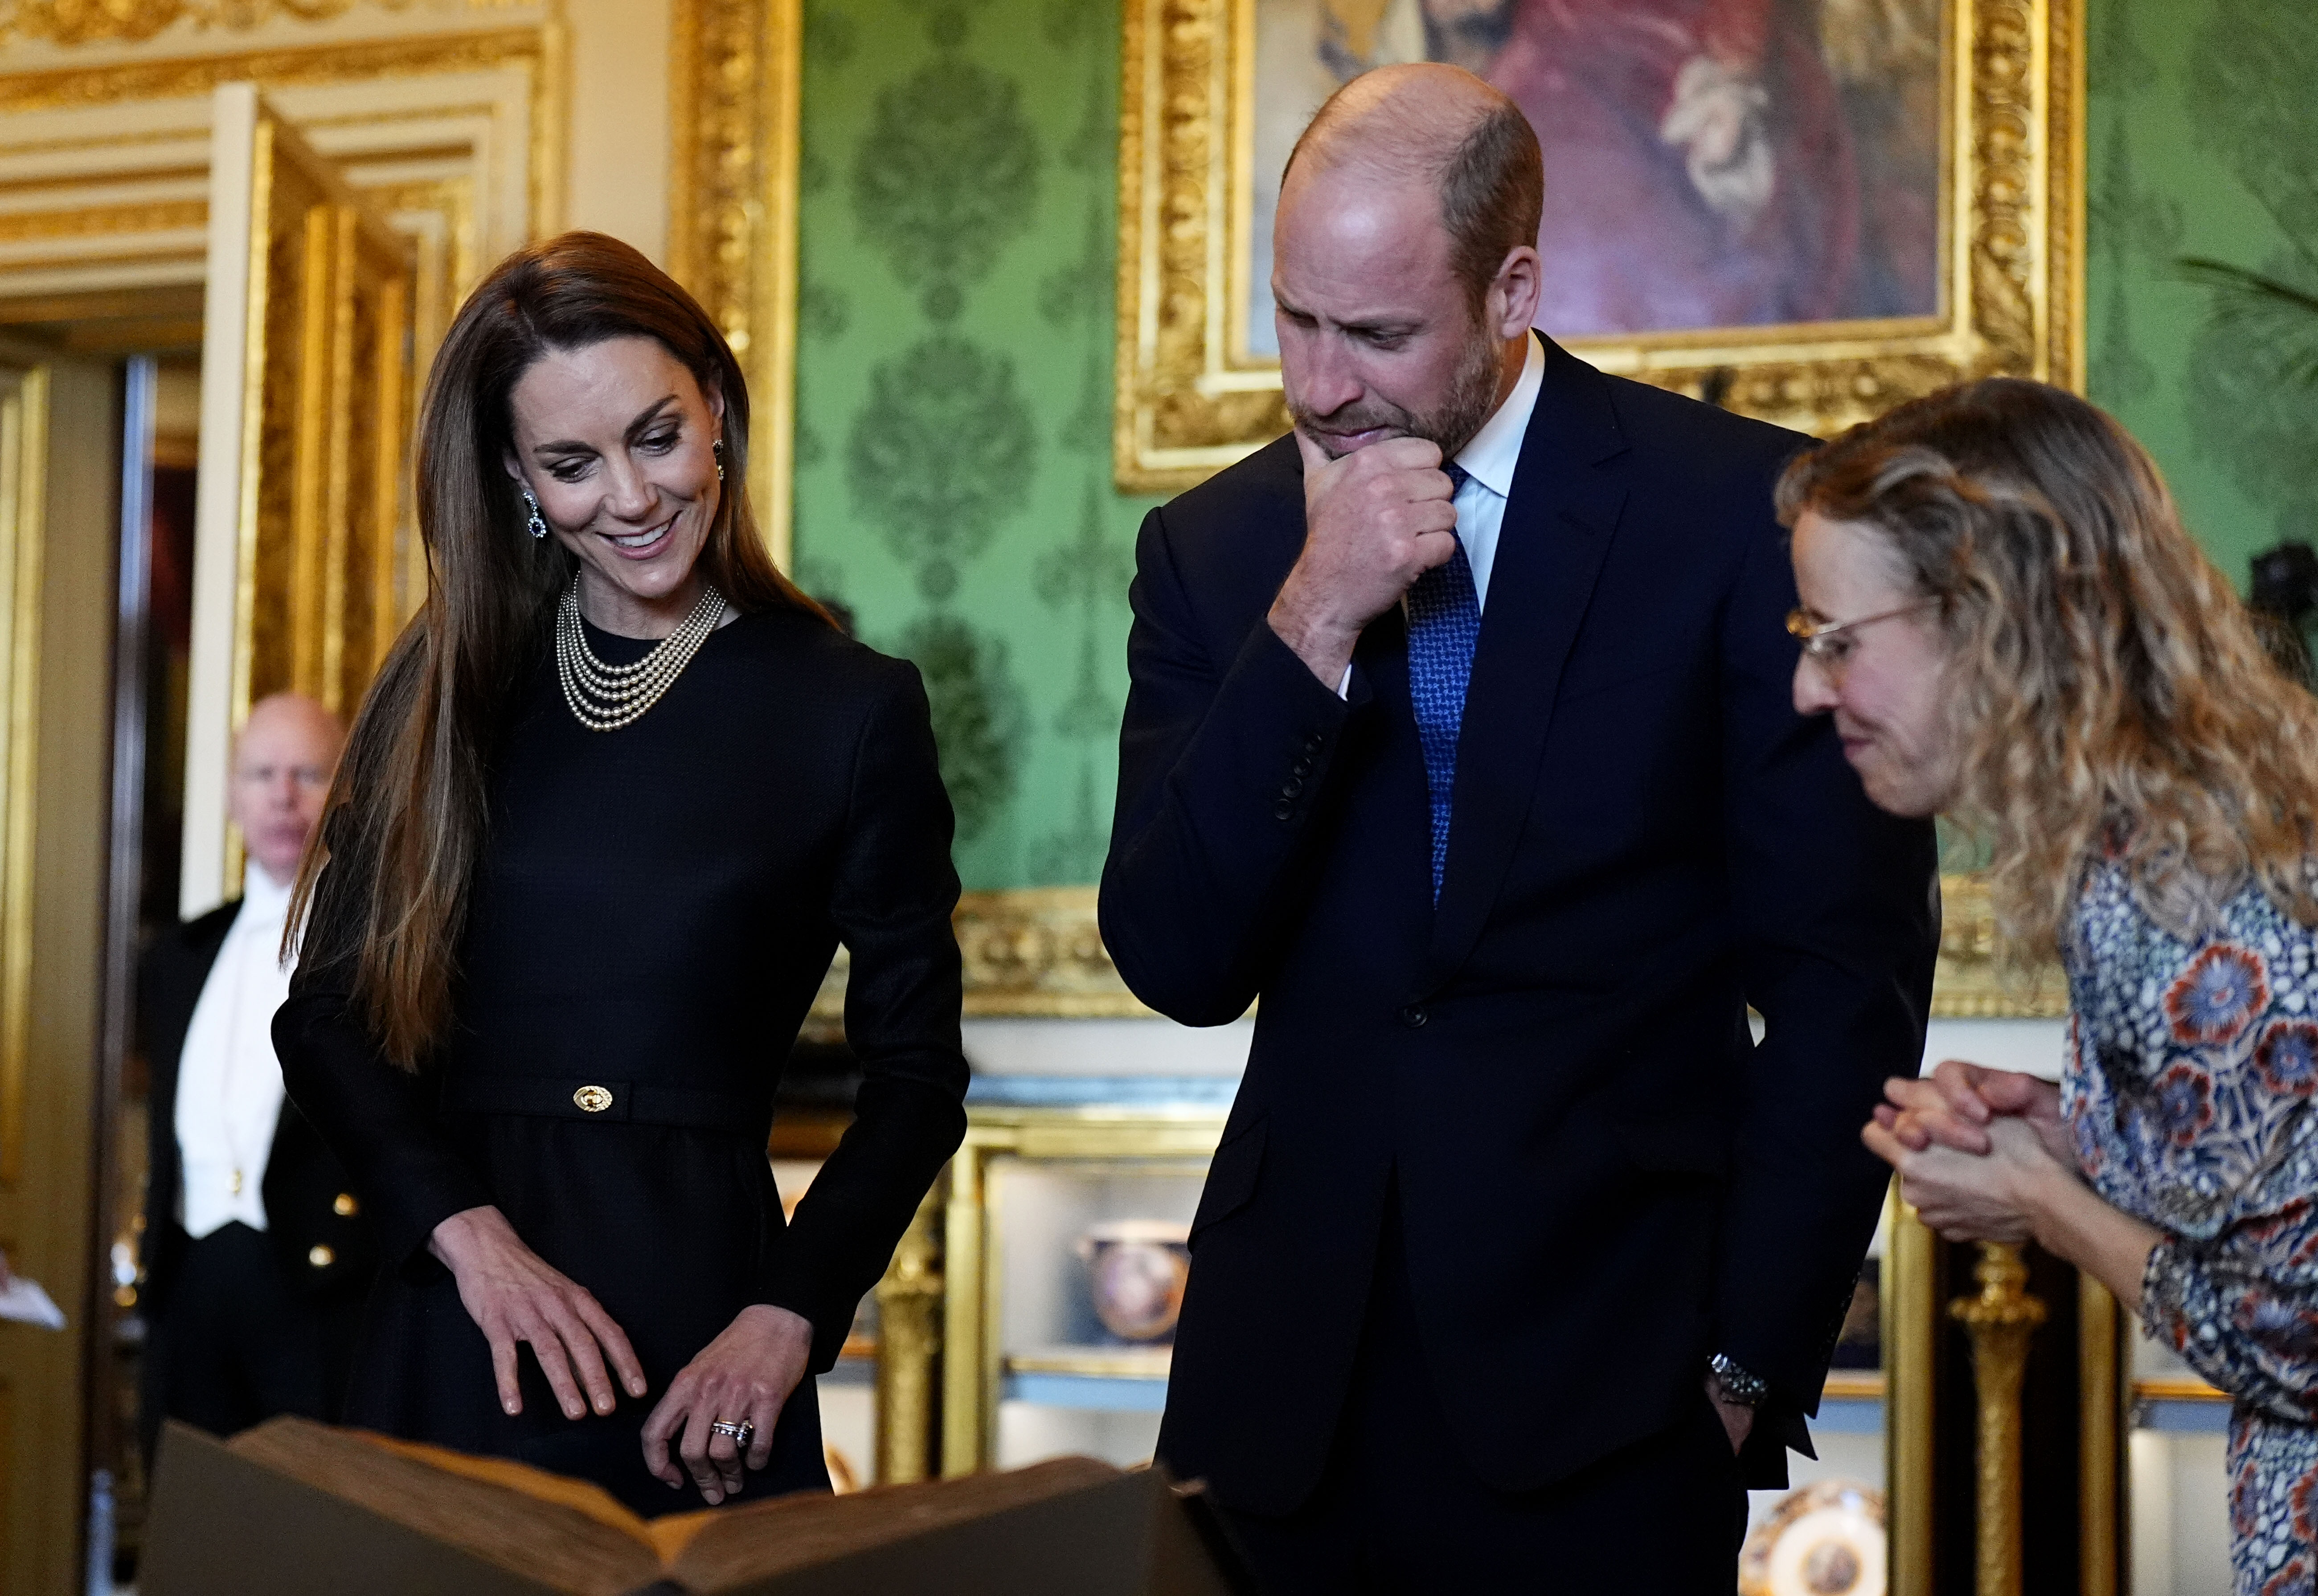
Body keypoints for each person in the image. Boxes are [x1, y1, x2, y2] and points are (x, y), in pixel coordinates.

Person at [1099, 63, 1938, 1591]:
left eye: (1377, 334)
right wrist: (1314, 617)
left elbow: (1842, 976)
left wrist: (1752, 1361)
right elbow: (1173, 955)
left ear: (1513, 288)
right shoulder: (1215, 550)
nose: (1321, 381)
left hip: (1616, 1394)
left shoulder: (1735, 517)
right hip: (1274, 1393)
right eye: (1294, 319)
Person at [273, 232, 967, 1515]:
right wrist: (471, 1242)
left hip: (708, 1327)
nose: (632, 498)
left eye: (656, 436)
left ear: (715, 403)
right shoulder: (447, 687)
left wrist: (790, 1314)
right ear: (518, 479)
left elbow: (917, 1080)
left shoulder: (850, 708)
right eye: (573, 464)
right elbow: (323, 1019)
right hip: (455, 1311)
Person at [1793, 377, 2318, 1596]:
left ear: (1988, 618)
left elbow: (2295, 1339)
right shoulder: (2188, 819)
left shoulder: (2179, 882)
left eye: (1838, 637)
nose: (1811, 689)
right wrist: (2074, 1130)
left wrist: (2039, 1195)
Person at [138, 692, 373, 1456]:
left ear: (346, 792)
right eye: (262, 773)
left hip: (321, 1289)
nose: (283, 794)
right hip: (190, 1277)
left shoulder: (376, 952)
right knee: (192, 1529)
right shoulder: (182, 956)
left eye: (308, 772)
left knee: (309, 1536)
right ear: (233, 798)